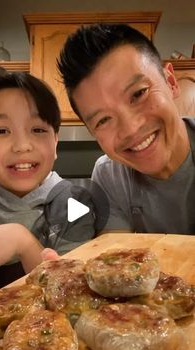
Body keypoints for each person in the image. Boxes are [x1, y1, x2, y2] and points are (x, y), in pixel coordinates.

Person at [0, 67, 95, 304]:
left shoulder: (74, 203)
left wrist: (21, 242)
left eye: (38, 129)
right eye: (1, 131)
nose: (22, 146)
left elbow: (76, 299)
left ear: (55, 141)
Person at [57, 23, 195, 235]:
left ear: (171, 82)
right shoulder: (109, 176)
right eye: (103, 120)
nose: (131, 129)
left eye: (138, 94)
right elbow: (118, 260)